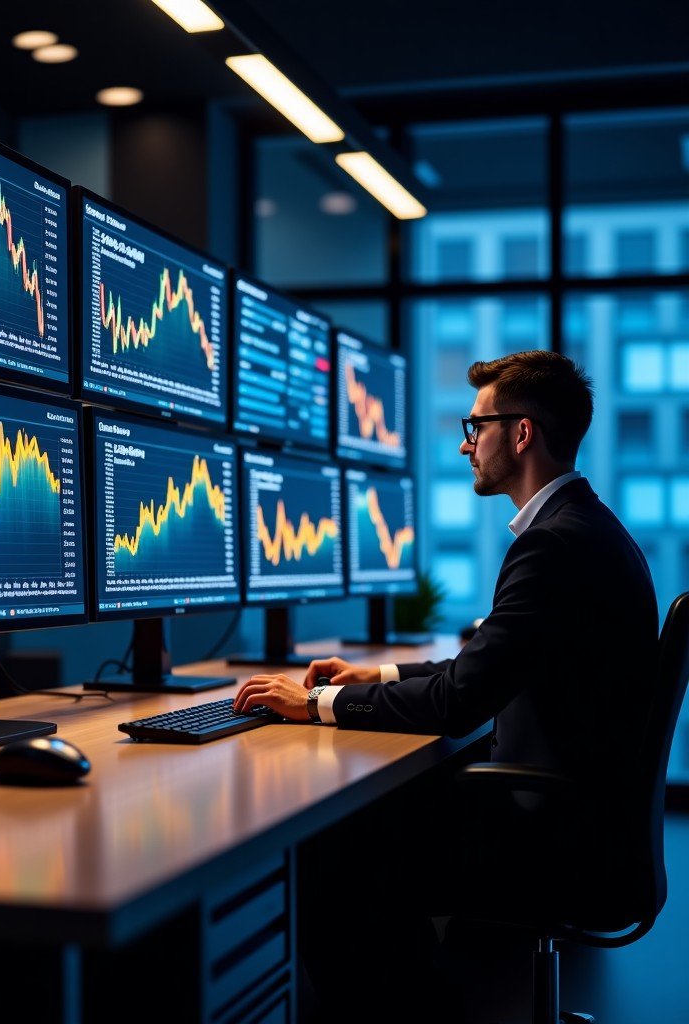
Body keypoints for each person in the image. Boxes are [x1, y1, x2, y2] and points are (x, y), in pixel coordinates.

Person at [233, 350, 659, 1020]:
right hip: (588, 821)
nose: (465, 443)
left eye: (476, 425)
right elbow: (487, 665)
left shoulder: (554, 545)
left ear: (521, 434)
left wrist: (314, 703)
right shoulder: (585, 529)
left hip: (556, 838)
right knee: (372, 821)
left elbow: (463, 699)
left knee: (334, 847)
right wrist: (375, 676)